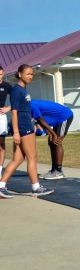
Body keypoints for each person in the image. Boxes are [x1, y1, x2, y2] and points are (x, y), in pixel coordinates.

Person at [0, 65, 53, 198]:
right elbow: (14, 112)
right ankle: (36, 187)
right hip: (24, 128)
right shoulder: (17, 91)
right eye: (28, 74)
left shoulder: (23, 89)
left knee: (17, 160)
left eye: (32, 74)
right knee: (32, 157)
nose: (30, 76)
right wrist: (16, 132)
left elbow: (24, 109)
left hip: (25, 126)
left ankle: (1, 186)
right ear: (20, 74)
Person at [30, 99, 73, 180]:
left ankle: (58, 171)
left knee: (57, 142)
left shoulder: (32, 106)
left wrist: (53, 133)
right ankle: (54, 170)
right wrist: (50, 133)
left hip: (65, 116)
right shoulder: (29, 105)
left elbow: (41, 120)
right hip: (58, 119)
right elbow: (39, 121)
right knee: (51, 142)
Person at [0, 66, 13, 178]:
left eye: (0, 74)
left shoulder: (6, 86)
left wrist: (8, 108)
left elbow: (18, 98)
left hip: (1, 117)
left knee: (1, 144)